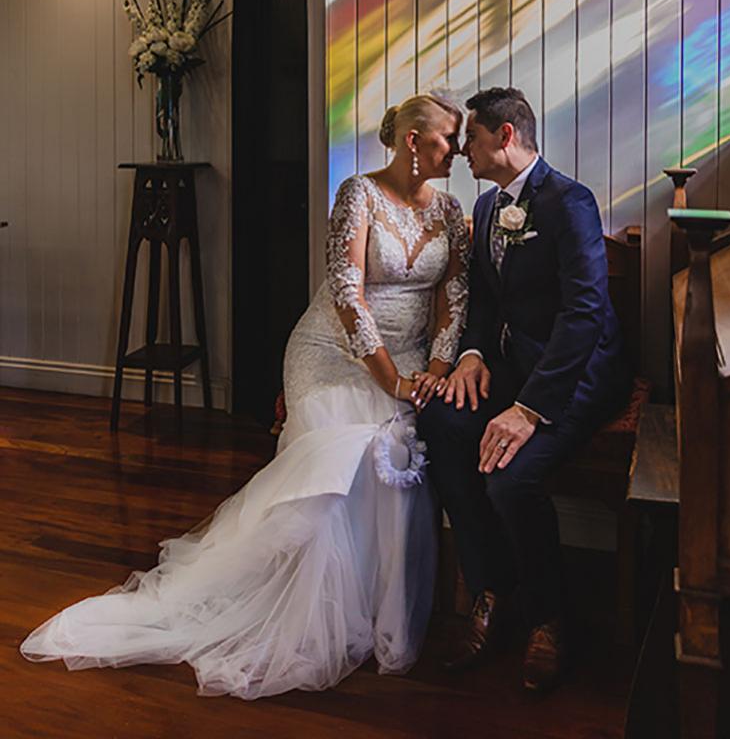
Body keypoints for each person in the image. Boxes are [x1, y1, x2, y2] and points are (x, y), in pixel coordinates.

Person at [21, 93, 469, 699]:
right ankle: (309, 600)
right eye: (449, 136)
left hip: (415, 356)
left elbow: (453, 298)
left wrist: (438, 368)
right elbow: (347, 294)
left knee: (397, 451)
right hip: (335, 351)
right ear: (413, 141)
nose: (459, 148)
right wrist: (392, 381)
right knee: (348, 447)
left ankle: (374, 600)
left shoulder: (451, 209)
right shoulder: (357, 195)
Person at [418, 87, 631, 692]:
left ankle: (548, 618)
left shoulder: (570, 202)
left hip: (578, 374)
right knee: (440, 423)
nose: (462, 150)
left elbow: (586, 314)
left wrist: (530, 409)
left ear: (505, 137)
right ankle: (491, 590)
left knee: (511, 477)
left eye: (473, 139)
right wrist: (474, 356)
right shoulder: (487, 210)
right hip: (511, 368)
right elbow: (485, 297)